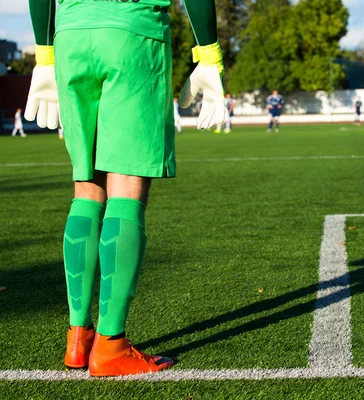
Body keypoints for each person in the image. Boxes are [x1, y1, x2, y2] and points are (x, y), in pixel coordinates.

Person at [25, 0, 225, 377]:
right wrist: (209, 54)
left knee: (86, 189)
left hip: (70, 34)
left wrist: (44, 53)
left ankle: (78, 337)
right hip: (132, 31)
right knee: (126, 187)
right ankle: (112, 346)